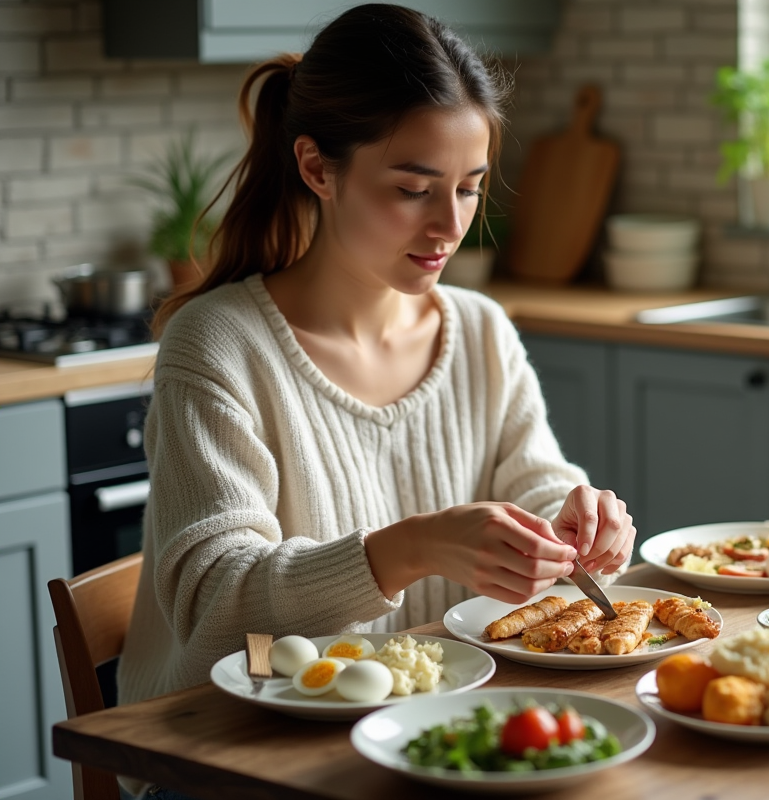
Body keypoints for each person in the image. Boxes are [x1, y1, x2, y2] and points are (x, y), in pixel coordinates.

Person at [116, 6, 634, 794]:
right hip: (228, 757)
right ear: (318, 168)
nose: (448, 225)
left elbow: (526, 475)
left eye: (469, 188)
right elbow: (216, 606)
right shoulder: (216, 345)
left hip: (419, 729)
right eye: (412, 189)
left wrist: (572, 514)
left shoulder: (480, 328)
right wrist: (406, 550)